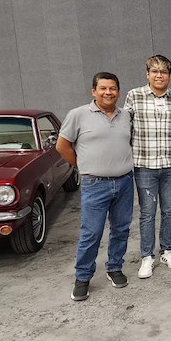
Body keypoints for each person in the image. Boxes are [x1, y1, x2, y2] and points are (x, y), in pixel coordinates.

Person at [57, 72, 134, 301]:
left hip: (124, 182)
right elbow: (62, 146)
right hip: (95, 185)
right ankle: (82, 277)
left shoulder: (126, 116)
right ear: (94, 91)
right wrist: (82, 165)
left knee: (121, 229)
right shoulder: (78, 115)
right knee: (92, 232)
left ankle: (114, 267)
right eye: (103, 88)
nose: (108, 92)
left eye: (112, 88)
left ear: (118, 92)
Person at [124, 55, 171, 278]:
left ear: (169, 75)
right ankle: (146, 256)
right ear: (147, 74)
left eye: (164, 72)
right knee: (147, 213)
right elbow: (125, 127)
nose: (159, 75)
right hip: (145, 165)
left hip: (170, 164)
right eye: (155, 71)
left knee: (169, 209)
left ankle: (166, 251)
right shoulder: (134, 96)